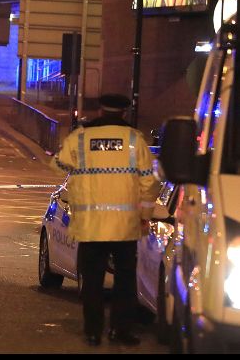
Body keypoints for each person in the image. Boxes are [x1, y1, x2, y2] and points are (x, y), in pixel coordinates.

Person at [50, 93, 159, 347]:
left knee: (93, 280)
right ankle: (120, 330)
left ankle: (92, 331)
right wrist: (144, 216)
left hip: (91, 224)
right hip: (124, 225)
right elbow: (150, 183)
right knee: (124, 280)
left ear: (100, 111)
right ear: (123, 113)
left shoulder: (82, 138)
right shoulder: (135, 141)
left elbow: (58, 165)